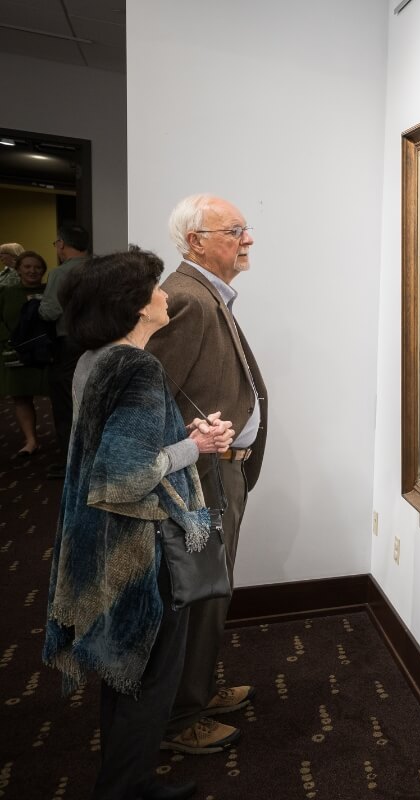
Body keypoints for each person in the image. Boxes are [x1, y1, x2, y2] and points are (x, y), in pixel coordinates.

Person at [43, 246, 234, 800]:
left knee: (124, 669)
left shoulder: (94, 361)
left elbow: (111, 448)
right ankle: (128, 788)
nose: (165, 295)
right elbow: (123, 477)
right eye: (154, 288)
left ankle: (125, 782)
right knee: (150, 680)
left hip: (104, 545)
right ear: (133, 305)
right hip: (142, 547)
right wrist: (194, 447)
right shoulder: (139, 367)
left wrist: (182, 439)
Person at [146, 194, 268, 755]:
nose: (247, 240)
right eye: (234, 230)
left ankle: (195, 693)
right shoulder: (188, 300)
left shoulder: (205, 296)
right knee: (199, 595)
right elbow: (150, 406)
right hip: (202, 477)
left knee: (212, 592)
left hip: (221, 473)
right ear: (196, 241)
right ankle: (180, 718)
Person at [39, 222, 92, 477]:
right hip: (98, 341)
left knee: (65, 402)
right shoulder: (100, 267)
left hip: (69, 343)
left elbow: (49, 311)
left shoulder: (61, 274)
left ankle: (71, 463)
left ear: (61, 244)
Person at [0, 251, 51, 455]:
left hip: (47, 352)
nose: (32, 271)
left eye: (37, 267)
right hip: (15, 351)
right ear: (19, 269)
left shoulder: (51, 291)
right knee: (21, 397)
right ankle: (31, 441)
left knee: (57, 396)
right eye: (27, 266)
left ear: (43, 271)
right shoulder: (5, 292)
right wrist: (8, 341)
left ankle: (64, 440)